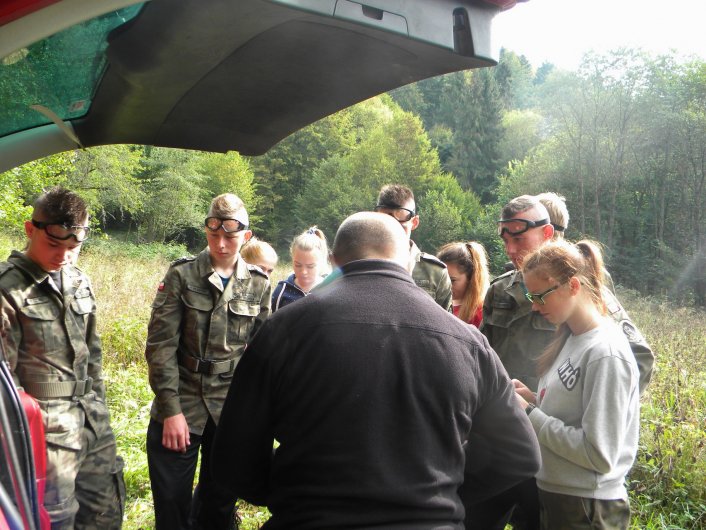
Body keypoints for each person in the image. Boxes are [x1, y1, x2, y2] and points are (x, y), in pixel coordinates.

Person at [212, 212, 541, 530]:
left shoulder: (283, 329)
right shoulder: (468, 343)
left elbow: (232, 458)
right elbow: (519, 452)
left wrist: (294, 494)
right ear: (409, 261)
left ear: (334, 260)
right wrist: (442, 496)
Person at [472, 194, 654, 530]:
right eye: (506, 240)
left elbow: (635, 361)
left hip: (558, 456)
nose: (511, 250)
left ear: (547, 235)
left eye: (519, 239)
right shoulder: (500, 289)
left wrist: (588, 410)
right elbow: (484, 355)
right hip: (505, 442)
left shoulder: (587, 298)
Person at [0, 187, 125, 529]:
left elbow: (93, 355)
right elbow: (3, 392)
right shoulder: (7, 290)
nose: (64, 256)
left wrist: (99, 409)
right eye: (54, 245)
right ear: (30, 229)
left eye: (73, 248)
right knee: (55, 520)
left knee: (105, 513)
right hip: (44, 434)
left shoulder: (78, 281)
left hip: (91, 422)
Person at [145, 193, 271, 530]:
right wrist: (171, 410)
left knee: (219, 503)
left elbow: (261, 354)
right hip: (183, 397)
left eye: (229, 236)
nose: (221, 244)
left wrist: (253, 416)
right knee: (172, 503)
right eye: (213, 234)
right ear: (206, 231)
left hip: (229, 406)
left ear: (245, 237)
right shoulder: (182, 276)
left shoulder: (258, 284)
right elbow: (160, 346)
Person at [515, 239, 640, 529]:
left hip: (587, 505)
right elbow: (572, 414)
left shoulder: (605, 353)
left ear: (572, 286)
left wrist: (531, 415)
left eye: (540, 296)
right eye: (529, 296)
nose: (534, 307)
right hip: (563, 497)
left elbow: (599, 454)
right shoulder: (571, 339)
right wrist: (533, 399)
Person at [374, 184, 453, 311]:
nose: (392, 227)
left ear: (414, 222)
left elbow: (445, 324)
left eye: (400, 220)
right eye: (386, 218)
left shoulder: (434, 272)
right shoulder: (361, 262)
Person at [271, 226, 328, 311]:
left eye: (310, 266)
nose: (303, 272)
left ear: (322, 262)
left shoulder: (330, 289)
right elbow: (275, 322)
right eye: (298, 265)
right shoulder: (282, 290)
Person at [436, 241, 489, 327]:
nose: (444, 285)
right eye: (441, 279)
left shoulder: (481, 313)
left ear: (471, 278)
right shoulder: (438, 305)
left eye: (452, 280)